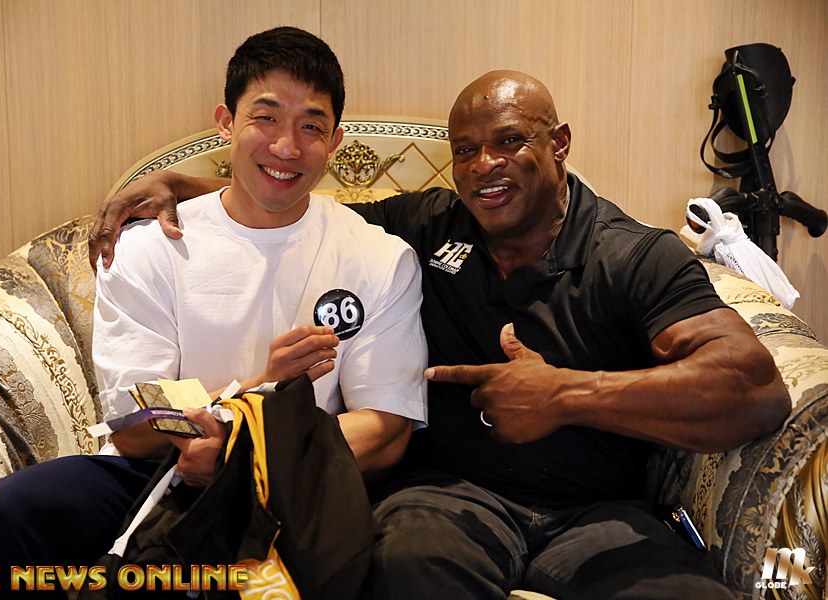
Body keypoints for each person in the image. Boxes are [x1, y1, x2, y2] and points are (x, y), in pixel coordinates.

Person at [90, 70, 791, 599]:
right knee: (402, 571)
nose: (484, 165)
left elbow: (755, 390)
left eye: (510, 141)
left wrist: (567, 395)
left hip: (600, 513)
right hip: (446, 498)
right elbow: (298, 209)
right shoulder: (430, 225)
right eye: (465, 150)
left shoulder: (634, 255)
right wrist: (188, 190)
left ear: (559, 144)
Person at [0, 26, 427, 596]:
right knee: (9, 516)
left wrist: (244, 455)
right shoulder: (152, 246)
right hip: (160, 471)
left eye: (311, 127)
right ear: (226, 122)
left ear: (335, 142)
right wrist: (259, 390)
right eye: (265, 118)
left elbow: (386, 427)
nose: (286, 147)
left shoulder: (379, 256)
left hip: (302, 485)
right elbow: (137, 427)